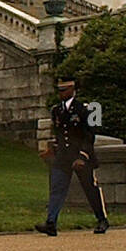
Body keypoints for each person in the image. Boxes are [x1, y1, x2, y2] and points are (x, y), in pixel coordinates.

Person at [35, 78, 109, 236]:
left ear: (73, 90)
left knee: (90, 188)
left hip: (80, 155)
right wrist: (53, 149)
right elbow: (59, 134)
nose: (62, 93)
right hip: (63, 156)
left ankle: (102, 219)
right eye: (60, 90)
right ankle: (51, 222)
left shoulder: (85, 108)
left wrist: (82, 155)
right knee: (57, 188)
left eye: (65, 90)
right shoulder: (57, 110)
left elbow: (89, 135)